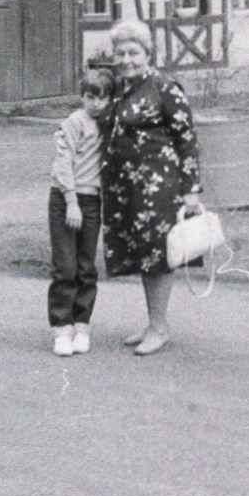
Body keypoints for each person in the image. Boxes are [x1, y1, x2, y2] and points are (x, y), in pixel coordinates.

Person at [99, 19, 203, 356]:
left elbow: (187, 140)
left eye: (133, 52)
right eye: (120, 53)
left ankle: (160, 328)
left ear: (148, 53)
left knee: (158, 254)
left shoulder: (164, 86)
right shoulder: (118, 87)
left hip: (158, 186)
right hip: (125, 187)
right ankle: (152, 323)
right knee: (143, 254)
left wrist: (191, 190)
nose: (126, 59)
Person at [47, 67, 113, 357]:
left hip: (93, 201)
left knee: (87, 267)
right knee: (66, 267)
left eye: (102, 98)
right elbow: (63, 162)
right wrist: (71, 201)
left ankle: (82, 326)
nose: (95, 104)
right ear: (82, 96)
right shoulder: (75, 122)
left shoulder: (110, 123)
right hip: (67, 199)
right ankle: (62, 329)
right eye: (90, 97)